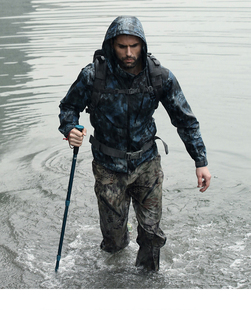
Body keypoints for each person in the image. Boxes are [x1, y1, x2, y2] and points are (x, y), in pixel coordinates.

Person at [58, 16, 211, 271]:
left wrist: (201, 161)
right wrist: (70, 129)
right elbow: (68, 108)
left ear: (143, 45)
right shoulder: (93, 76)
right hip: (108, 166)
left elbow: (185, 121)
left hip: (146, 164)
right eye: (121, 47)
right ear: (111, 45)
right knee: (114, 242)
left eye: (134, 46)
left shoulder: (159, 77)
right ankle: (115, 280)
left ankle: (148, 286)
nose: (129, 53)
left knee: (152, 235)